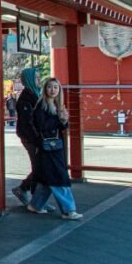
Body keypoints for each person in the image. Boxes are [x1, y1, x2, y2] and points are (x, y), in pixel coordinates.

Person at [27, 77, 83, 220]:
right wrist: (58, 119)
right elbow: (41, 126)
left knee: (47, 179)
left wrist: (64, 121)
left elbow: (60, 127)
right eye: (50, 87)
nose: (52, 90)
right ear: (45, 89)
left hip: (56, 147)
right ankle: (68, 210)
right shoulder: (41, 106)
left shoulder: (59, 106)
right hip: (46, 148)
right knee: (59, 177)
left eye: (55, 87)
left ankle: (35, 204)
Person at [10, 68, 42, 207]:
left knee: (40, 166)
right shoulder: (26, 99)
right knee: (39, 167)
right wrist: (37, 138)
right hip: (31, 138)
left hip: (37, 137)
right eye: (36, 78)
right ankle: (29, 193)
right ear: (29, 79)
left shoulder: (36, 94)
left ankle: (37, 198)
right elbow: (27, 123)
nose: (39, 80)